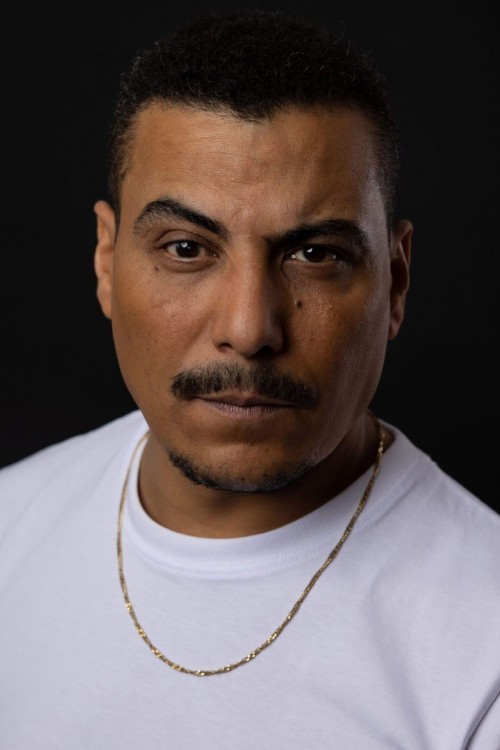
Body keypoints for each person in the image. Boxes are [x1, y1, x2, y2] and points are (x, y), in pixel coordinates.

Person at [0, 9, 499, 748]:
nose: (249, 327)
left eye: (315, 255)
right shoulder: (9, 528)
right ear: (106, 260)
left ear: (395, 281)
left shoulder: (483, 647)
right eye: (185, 248)